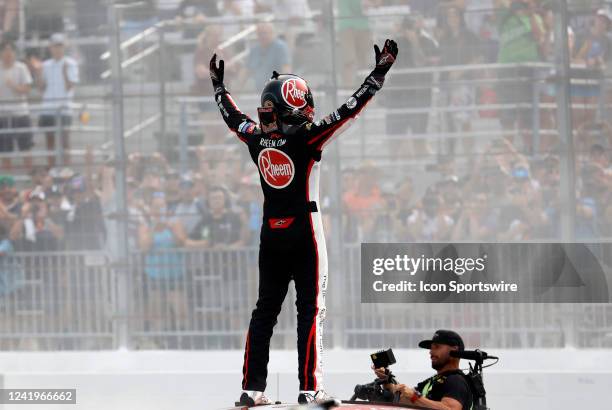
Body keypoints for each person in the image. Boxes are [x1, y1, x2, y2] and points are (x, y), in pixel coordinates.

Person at [210, 37, 398, 405]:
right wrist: (378, 74)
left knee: (264, 311)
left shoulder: (256, 140)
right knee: (310, 310)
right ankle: (310, 388)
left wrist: (219, 87)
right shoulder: (308, 139)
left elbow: (233, 118)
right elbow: (348, 111)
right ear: (297, 102)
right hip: (306, 231)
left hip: (270, 232)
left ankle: (251, 390)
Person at [373, 330, 473, 409]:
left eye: (437, 347)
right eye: (431, 348)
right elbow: (401, 400)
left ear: (454, 350)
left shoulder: (456, 381)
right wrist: (386, 380)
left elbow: (450, 409)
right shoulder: (432, 382)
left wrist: (414, 396)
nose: (431, 352)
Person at [32, 33, 79, 166]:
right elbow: (41, 88)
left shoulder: (71, 63)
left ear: (64, 47)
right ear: (50, 48)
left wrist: (64, 72)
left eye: (60, 46)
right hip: (48, 108)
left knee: (65, 140)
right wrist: (38, 72)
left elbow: (70, 86)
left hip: (64, 108)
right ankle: (51, 169)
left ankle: (67, 169)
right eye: (55, 46)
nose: (57, 49)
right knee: (50, 141)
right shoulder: (45, 65)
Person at [0, 39, 34, 170]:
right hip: (2, 115)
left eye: (10, 50)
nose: (8, 53)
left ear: (14, 53)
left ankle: (30, 179)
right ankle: (7, 184)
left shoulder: (21, 68)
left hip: (20, 113)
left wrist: (13, 85)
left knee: (26, 148)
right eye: (5, 50)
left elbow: (27, 89)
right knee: (4, 151)